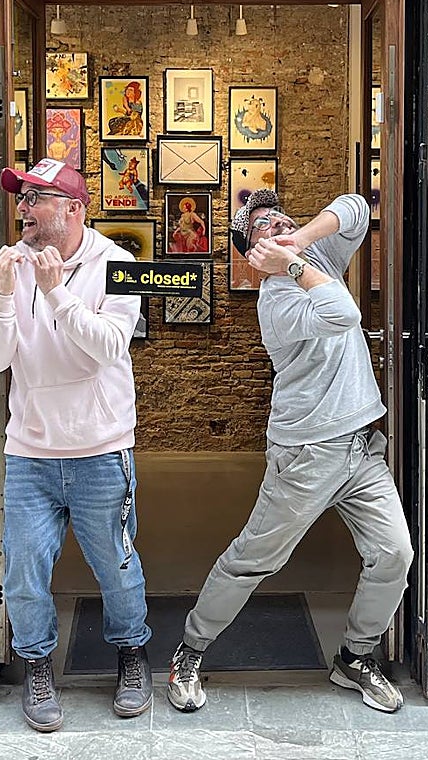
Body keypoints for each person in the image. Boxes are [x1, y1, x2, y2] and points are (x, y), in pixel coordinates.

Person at [165, 188, 414, 714]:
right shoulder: (276, 301)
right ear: (253, 255)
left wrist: (297, 241)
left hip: (361, 447)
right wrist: (292, 260)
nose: (274, 222)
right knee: (253, 561)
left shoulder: (314, 254)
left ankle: (356, 656)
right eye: (259, 226)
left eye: (279, 215)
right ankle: (190, 650)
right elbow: (343, 313)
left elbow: (356, 207)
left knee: (394, 553)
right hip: (306, 453)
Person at [0, 158, 152, 732]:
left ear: (74, 209)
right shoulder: (3, 268)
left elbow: (107, 347)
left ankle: (131, 654)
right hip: (30, 450)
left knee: (117, 566)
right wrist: (4, 296)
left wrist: (55, 295)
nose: (23, 208)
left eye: (36, 199)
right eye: (22, 197)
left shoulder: (118, 264)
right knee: (24, 569)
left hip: (101, 447)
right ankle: (37, 667)